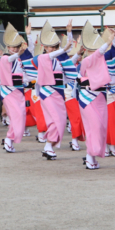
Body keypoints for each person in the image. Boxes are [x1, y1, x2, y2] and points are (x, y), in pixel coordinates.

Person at [31, 22, 78, 160]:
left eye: (54, 46)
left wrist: (68, 35)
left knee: (60, 121)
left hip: (59, 92)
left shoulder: (60, 59)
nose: (51, 49)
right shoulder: (40, 58)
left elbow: (70, 66)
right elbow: (51, 56)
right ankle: (48, 145)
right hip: (47, 92)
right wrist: (63, 49)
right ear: (44, 47)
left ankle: (49, 146)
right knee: (55, 120)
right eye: (49, 46)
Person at [75, 22, 115, 170]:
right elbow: (100, 52)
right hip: (87, 97)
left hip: (100, 96)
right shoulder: (86, 60)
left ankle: (90, 157)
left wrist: (113, 40)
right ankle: (89, 158)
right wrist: (108, 41)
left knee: (100, 127)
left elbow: (113, 54)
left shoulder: (101, 60)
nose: (96, 51)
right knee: (93, 127)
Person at [0, 24, 29, 153]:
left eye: (17, 47)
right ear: (8, 47)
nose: (15, 49)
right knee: (16, 116)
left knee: (20, 115)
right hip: (8, 92)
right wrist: (18, 54)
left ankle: (9, 139)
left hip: (19, 91)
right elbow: (9, 59)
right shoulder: (5, 58)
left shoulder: (19, 60)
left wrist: (29, 35)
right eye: (12, 47)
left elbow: (24, 74)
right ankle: (9, 139)